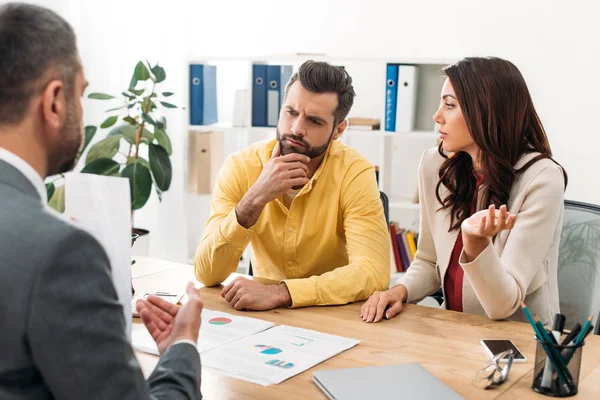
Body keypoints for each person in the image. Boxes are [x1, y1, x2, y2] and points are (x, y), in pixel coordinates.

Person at [0, 3, 202, 399]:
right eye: (81, 95)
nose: (82, 110)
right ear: (55, 102)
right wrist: (182, 348)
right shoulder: (59, 253)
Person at [361, 57, 567, 325]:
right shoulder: (436, 165)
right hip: (455, 331)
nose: (437, 116)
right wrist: (401, 290)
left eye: (449, 105)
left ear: (487, 112)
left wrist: (475, 243)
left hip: (520, 340)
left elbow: (503, 304)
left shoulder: (541, 179)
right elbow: (428, 260)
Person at [195, 60, 390, 310]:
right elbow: (206, 274)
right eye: (291, 112)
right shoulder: (241, 167)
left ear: (338, 129)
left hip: (333, 315)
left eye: (315, 121)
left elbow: (373, 273)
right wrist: (254, 199)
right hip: (262, 317)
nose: (297, 129)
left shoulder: (354, 172)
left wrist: (282, 292)